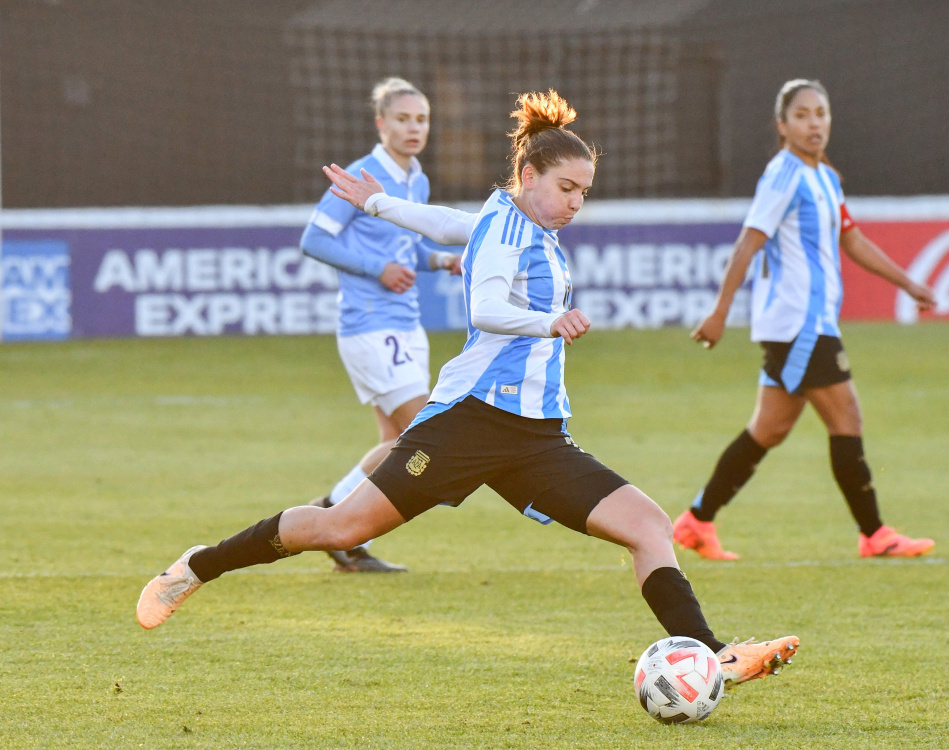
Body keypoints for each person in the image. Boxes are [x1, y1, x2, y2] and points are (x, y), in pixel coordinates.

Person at [137, 90, 799, 690]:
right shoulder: (512, 233)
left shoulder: (509, 218)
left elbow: (449, 224)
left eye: (584, 192)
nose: (574, 203)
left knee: (648, 527)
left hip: (536, 437)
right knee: (340, 525)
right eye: (565, 187)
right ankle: (197, 566)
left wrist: (375, 202)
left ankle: (711, 655)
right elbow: (483, 308)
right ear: (530, 176)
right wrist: (547, 320)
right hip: (468, 424)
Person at [672, 79, 937, 561]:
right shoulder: (784, 175)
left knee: (768, 429)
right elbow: (748, 243)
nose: (815, 123)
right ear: (783, 125)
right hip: (800, 324)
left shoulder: (824, 177)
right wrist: (719, 312)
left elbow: (852, 240)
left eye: (821, 113)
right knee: (847, 415)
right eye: (803, 115)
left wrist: (909, 284)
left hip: (805, 325)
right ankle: (875, 534)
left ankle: (696, 520)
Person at [299, 77, 462, 572]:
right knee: (425, 434)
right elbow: (314, 240)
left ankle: (347, 539)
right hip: (371, 324)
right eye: (403, 119)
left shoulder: (416, 178)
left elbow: (404, 247)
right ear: (381, 123)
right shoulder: (359, 175)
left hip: (404, 322)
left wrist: (439, 260)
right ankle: (330, 513)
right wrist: (377, 271)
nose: (414, 128)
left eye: (422, 119)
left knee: (396, 445)